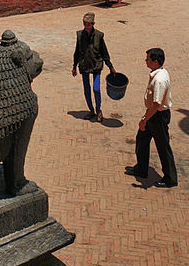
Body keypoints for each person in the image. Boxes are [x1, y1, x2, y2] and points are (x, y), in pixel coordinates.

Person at [126, 47, 176, 188]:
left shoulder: (159, 80)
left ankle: (170, 178)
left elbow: (156, 104)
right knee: (142, 138)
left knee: (163, 146)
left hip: (157, 116)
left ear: (155, 61)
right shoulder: (159, 73)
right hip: (154, 114)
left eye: (148, 59)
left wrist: (144, 119)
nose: (145, 61)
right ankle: (141, 168)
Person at [72, 13, 115, 122]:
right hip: (84, 64)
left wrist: (110, 66)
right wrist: (74, 66)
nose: (86, 26)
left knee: (96, 89)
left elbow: (104, 52)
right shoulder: (80, 35)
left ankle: (98, 109)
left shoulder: (99, 36)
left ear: (93, 24)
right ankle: (91, 110)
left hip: (96, 64)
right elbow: (77, 52)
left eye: (88, 24)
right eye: (84, 24)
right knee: (87, 89)